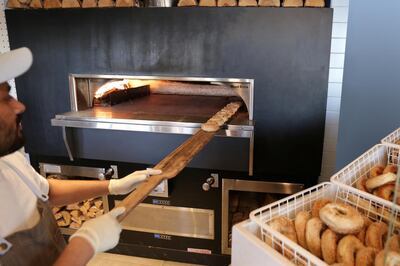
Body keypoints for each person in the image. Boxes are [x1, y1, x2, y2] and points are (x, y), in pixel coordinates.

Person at [0, 47, 161, 266]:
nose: (19, 106)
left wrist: (113, 186)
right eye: (4, 98)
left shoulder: (7, 157)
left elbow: (46, 191)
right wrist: (85, 244)